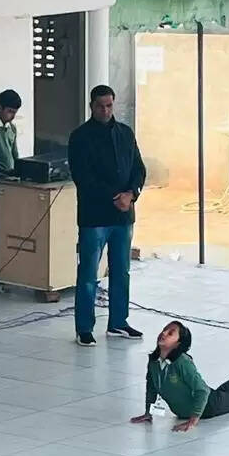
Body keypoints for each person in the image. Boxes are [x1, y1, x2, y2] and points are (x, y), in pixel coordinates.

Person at [69, 85, 147, 347]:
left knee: (121, 271)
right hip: (95, 216)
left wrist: (131, 194)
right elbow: (83, 177)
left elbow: (138, 168)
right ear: (91, 105)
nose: (105, 110)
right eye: (101, 105)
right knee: (89, 273)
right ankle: (84, 328)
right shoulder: (80, 137)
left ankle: (118, 323)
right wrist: (116, 198)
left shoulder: (125, 133)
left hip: (123, 216)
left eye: (109, 105)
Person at [130, 321, 229, 432]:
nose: (163, 333)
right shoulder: (154, 362)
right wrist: (148, 413)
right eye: (164, 330)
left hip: (209, 407)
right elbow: (151, 386)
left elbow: (202, 391)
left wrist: (193, 420)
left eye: (170, 333)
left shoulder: (182, 363)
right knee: (222, 391)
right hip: (198, 404)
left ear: (178, 344)